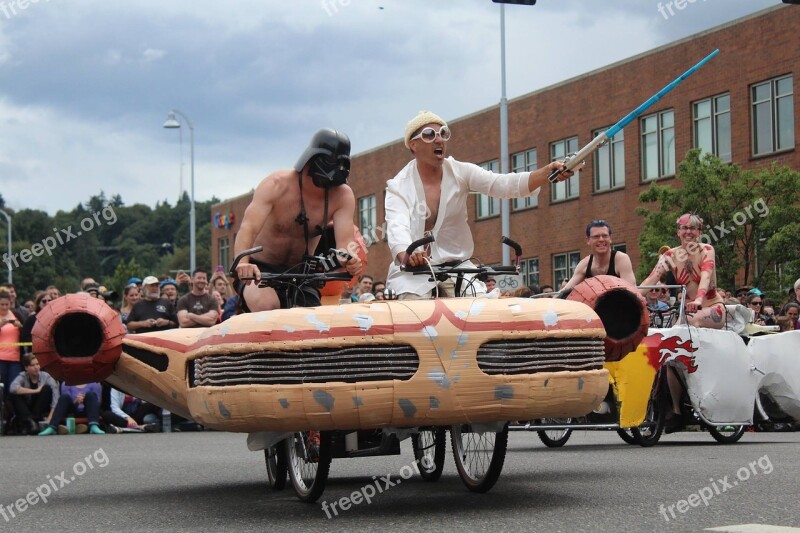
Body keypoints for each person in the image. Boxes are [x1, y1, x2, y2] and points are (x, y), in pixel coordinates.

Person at [385, 111, 576, 299]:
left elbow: (502, 184)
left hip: (457, 268)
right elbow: (397, 226)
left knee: (481, 309)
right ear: (413, 144)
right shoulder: (398, 186)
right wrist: (406, 254)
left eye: (443, 133)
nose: (439, 140)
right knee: (413, 307)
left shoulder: (461, 171)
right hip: (412, 273)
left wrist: (545, 173)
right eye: (429, 135)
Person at [233, 128, 363, 311]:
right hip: (259, 269)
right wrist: (243, 263)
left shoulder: (342, 196)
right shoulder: (276, 184)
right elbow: (248, 228)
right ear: (311, 160)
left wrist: (350, 259)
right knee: (267, 305)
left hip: (302, 273)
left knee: (310, 319)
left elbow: (344, 244)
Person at [640, 213, 726, 433]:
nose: (689, 232)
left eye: (694, 228)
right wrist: (632, 296)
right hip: (685, 314)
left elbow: (705, 277)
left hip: (710, 309)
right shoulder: (670, 255)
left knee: (689, 321)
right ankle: (676, 411)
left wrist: (698, 300)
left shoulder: (706, 250)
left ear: (700, 232)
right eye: (684, 228)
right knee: (670, 350)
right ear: (677, 232)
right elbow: (650, 280)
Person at [563, 220, 636, 290]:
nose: (601, 239)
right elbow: (563, 292)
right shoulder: (584, 264)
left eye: (605, 236)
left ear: (610, 238)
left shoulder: (621, 259)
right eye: (596, 236)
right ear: (588, 240)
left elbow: (632, 292)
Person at [8, 354, 60, 435]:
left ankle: (31, 421)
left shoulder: (46, 376)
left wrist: (50, 418)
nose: (36, 367)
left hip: (39, 409)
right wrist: (35, 391)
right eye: (33, 365)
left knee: (47, 389)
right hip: (26, 409)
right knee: (14, 395)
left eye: (38, 364)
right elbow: (13, 388)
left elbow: (55, 398)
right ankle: (29, 421)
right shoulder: (23, 376)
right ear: (26, 368)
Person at [38, 381, 105, 435]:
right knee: (64, 397)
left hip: (88, 411)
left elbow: (97, 402)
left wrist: (85, 399)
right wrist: (76, 401)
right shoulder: (66, 383)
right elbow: (66, 402)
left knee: (91, 394)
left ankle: (93, 426)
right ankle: (52, 427)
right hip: (72, 412)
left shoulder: (94, 383)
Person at [0, 289, 24, 395]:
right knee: (2, 386)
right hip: (0, 358)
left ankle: (10, 409)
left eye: (7, 304)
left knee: (13, 387)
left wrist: (20, 327)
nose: (4, 307)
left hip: (15, 358)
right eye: (2, 304)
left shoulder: (17, 315)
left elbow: (27, 332)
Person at [20, 291, 51, 356]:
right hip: (35, 353)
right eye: (44, 301)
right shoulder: (31, 319)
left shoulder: (57, 318)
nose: (47, 303)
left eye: (49, 300)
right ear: (38, 304)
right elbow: (25, 337)